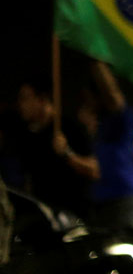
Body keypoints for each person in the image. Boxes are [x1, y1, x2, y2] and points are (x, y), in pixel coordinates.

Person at [81, 61, 133, 232]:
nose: (86, 105)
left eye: (89, 99)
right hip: (102, 206)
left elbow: (111, 93)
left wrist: (95, 59)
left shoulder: (122, 119)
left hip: (126, 201)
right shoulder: (98, 133)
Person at [12, 80, 98, 219]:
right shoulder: (25, 135)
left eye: (25, 98)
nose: (21, 105)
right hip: (44, 216)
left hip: (74, 216)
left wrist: (67, 153)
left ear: (42, 100)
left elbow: (94, 170)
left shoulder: (68, 128)